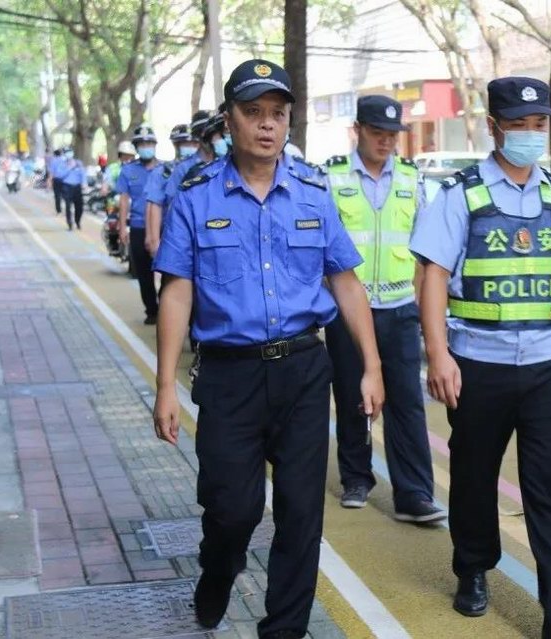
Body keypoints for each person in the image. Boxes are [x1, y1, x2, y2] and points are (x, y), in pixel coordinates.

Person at [152, 59, 384, 639]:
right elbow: (177, 293)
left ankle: (284, 630)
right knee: (234, 511)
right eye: (252, 113)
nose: (266, 126)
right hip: (229, 377)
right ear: (229, 120)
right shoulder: (196, 197)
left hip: (306, 370)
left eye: (277, 115)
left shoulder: (312, 191)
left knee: (303, 514)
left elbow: (346, 281)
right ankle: (218, 570)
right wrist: (163, 388)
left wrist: (372, 367)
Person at [410, 77, 551, 639]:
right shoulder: (461, 193)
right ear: (494, 127)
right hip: (479, 361)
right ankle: (473, 568)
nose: (529, 134)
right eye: (518, 124)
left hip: (547, 366)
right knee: (475, 475)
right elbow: (433, 276)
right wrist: (438, 356)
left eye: (538, 124)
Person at [323, 95, 443, 523]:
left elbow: (427, 254)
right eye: (378, 133)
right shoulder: (332, 178)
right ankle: (357, 477)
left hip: (398, 308)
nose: (386, 142)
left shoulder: (414, 181)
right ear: (358, 129)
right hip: (348, 311)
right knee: (355, 394)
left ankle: (414, 494)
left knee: (407, 401)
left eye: (393, 135)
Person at [117, 125, 163, 325]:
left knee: (170, 271)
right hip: (137, 226)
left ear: (155, 145)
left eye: (149, 143)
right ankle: (152, 311)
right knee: (144, 273)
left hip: (163, 228)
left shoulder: (165, 169)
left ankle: (167, 306)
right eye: (142, 144)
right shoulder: (128, 171)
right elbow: (124, 200)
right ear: (136, 147)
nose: (146, 147)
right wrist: (121, 227)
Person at [144, 123, 199, 256]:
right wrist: (154, 240)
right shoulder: (163, 172)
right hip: (173, 233)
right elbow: (154, 205)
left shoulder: (207, 168)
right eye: (185, 143)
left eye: (193, 143)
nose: (190, 147)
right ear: (176, 145)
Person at [58, 147, 86, 230]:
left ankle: (77, 221)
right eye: (67, 152)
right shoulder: (62, 164)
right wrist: (69, 168)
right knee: (68, 206)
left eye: (70, 152)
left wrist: (84, 183)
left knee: (79, 206)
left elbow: (83, 174)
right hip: (67, 187)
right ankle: (69, 223)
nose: (68, 154)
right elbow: (60, 175)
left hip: (77, 187)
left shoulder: (78, 163)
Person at [48, 149, 66, 214]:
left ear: (54, 154)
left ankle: (59, 210)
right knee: (65, 194)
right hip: (65, 180)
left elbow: (51, 172)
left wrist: (49, 181)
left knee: (57, 195)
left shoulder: (53, 161)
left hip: (57, 180)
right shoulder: (65, 160)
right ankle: (68, 208)